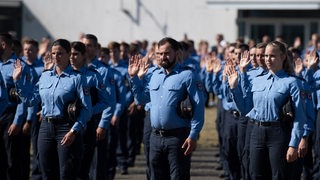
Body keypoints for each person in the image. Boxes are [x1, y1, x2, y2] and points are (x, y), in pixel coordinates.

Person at [13, 39, 92, 180]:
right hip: (46, 127)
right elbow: (31, 100)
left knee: (66, 173)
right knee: (47, 171)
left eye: (60, 53)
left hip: (66, 127)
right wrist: (18, 81)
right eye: (53, 53)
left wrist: (74, 131)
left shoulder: (78, 78)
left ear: (68, 54)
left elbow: (87, 109)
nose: (56, 57)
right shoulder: (45, 76)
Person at [228, 41, 308, 179]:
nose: (267, 59)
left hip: (279, 133)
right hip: (256, 132)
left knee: (279, 175)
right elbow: (246, 109)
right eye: (266, 56)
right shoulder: (258, 80)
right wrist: (234, 88)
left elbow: (300, 117)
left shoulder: (292, 82)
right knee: (255, 174)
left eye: (272, 56)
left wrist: (294, 144)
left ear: (282, 57)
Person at [128, 37, 205, 180]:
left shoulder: (187, 75)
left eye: (167, 53)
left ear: (177, 53)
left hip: (178, 138)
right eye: (159, 54)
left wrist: (193, 135)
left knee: (178, 176)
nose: (163, 57)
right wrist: (134, 78)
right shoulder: (153, 75)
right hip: (155, 137)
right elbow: (141, 100)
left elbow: (198, 106)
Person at [69, 41, 115, 180]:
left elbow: (106, 101)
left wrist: (88, 112)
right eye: (70, 54)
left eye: (75, 54)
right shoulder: (64, 74)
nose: (72, 57)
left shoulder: (94, 74)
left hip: (87, 124)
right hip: (65, 125)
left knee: (86, 166)